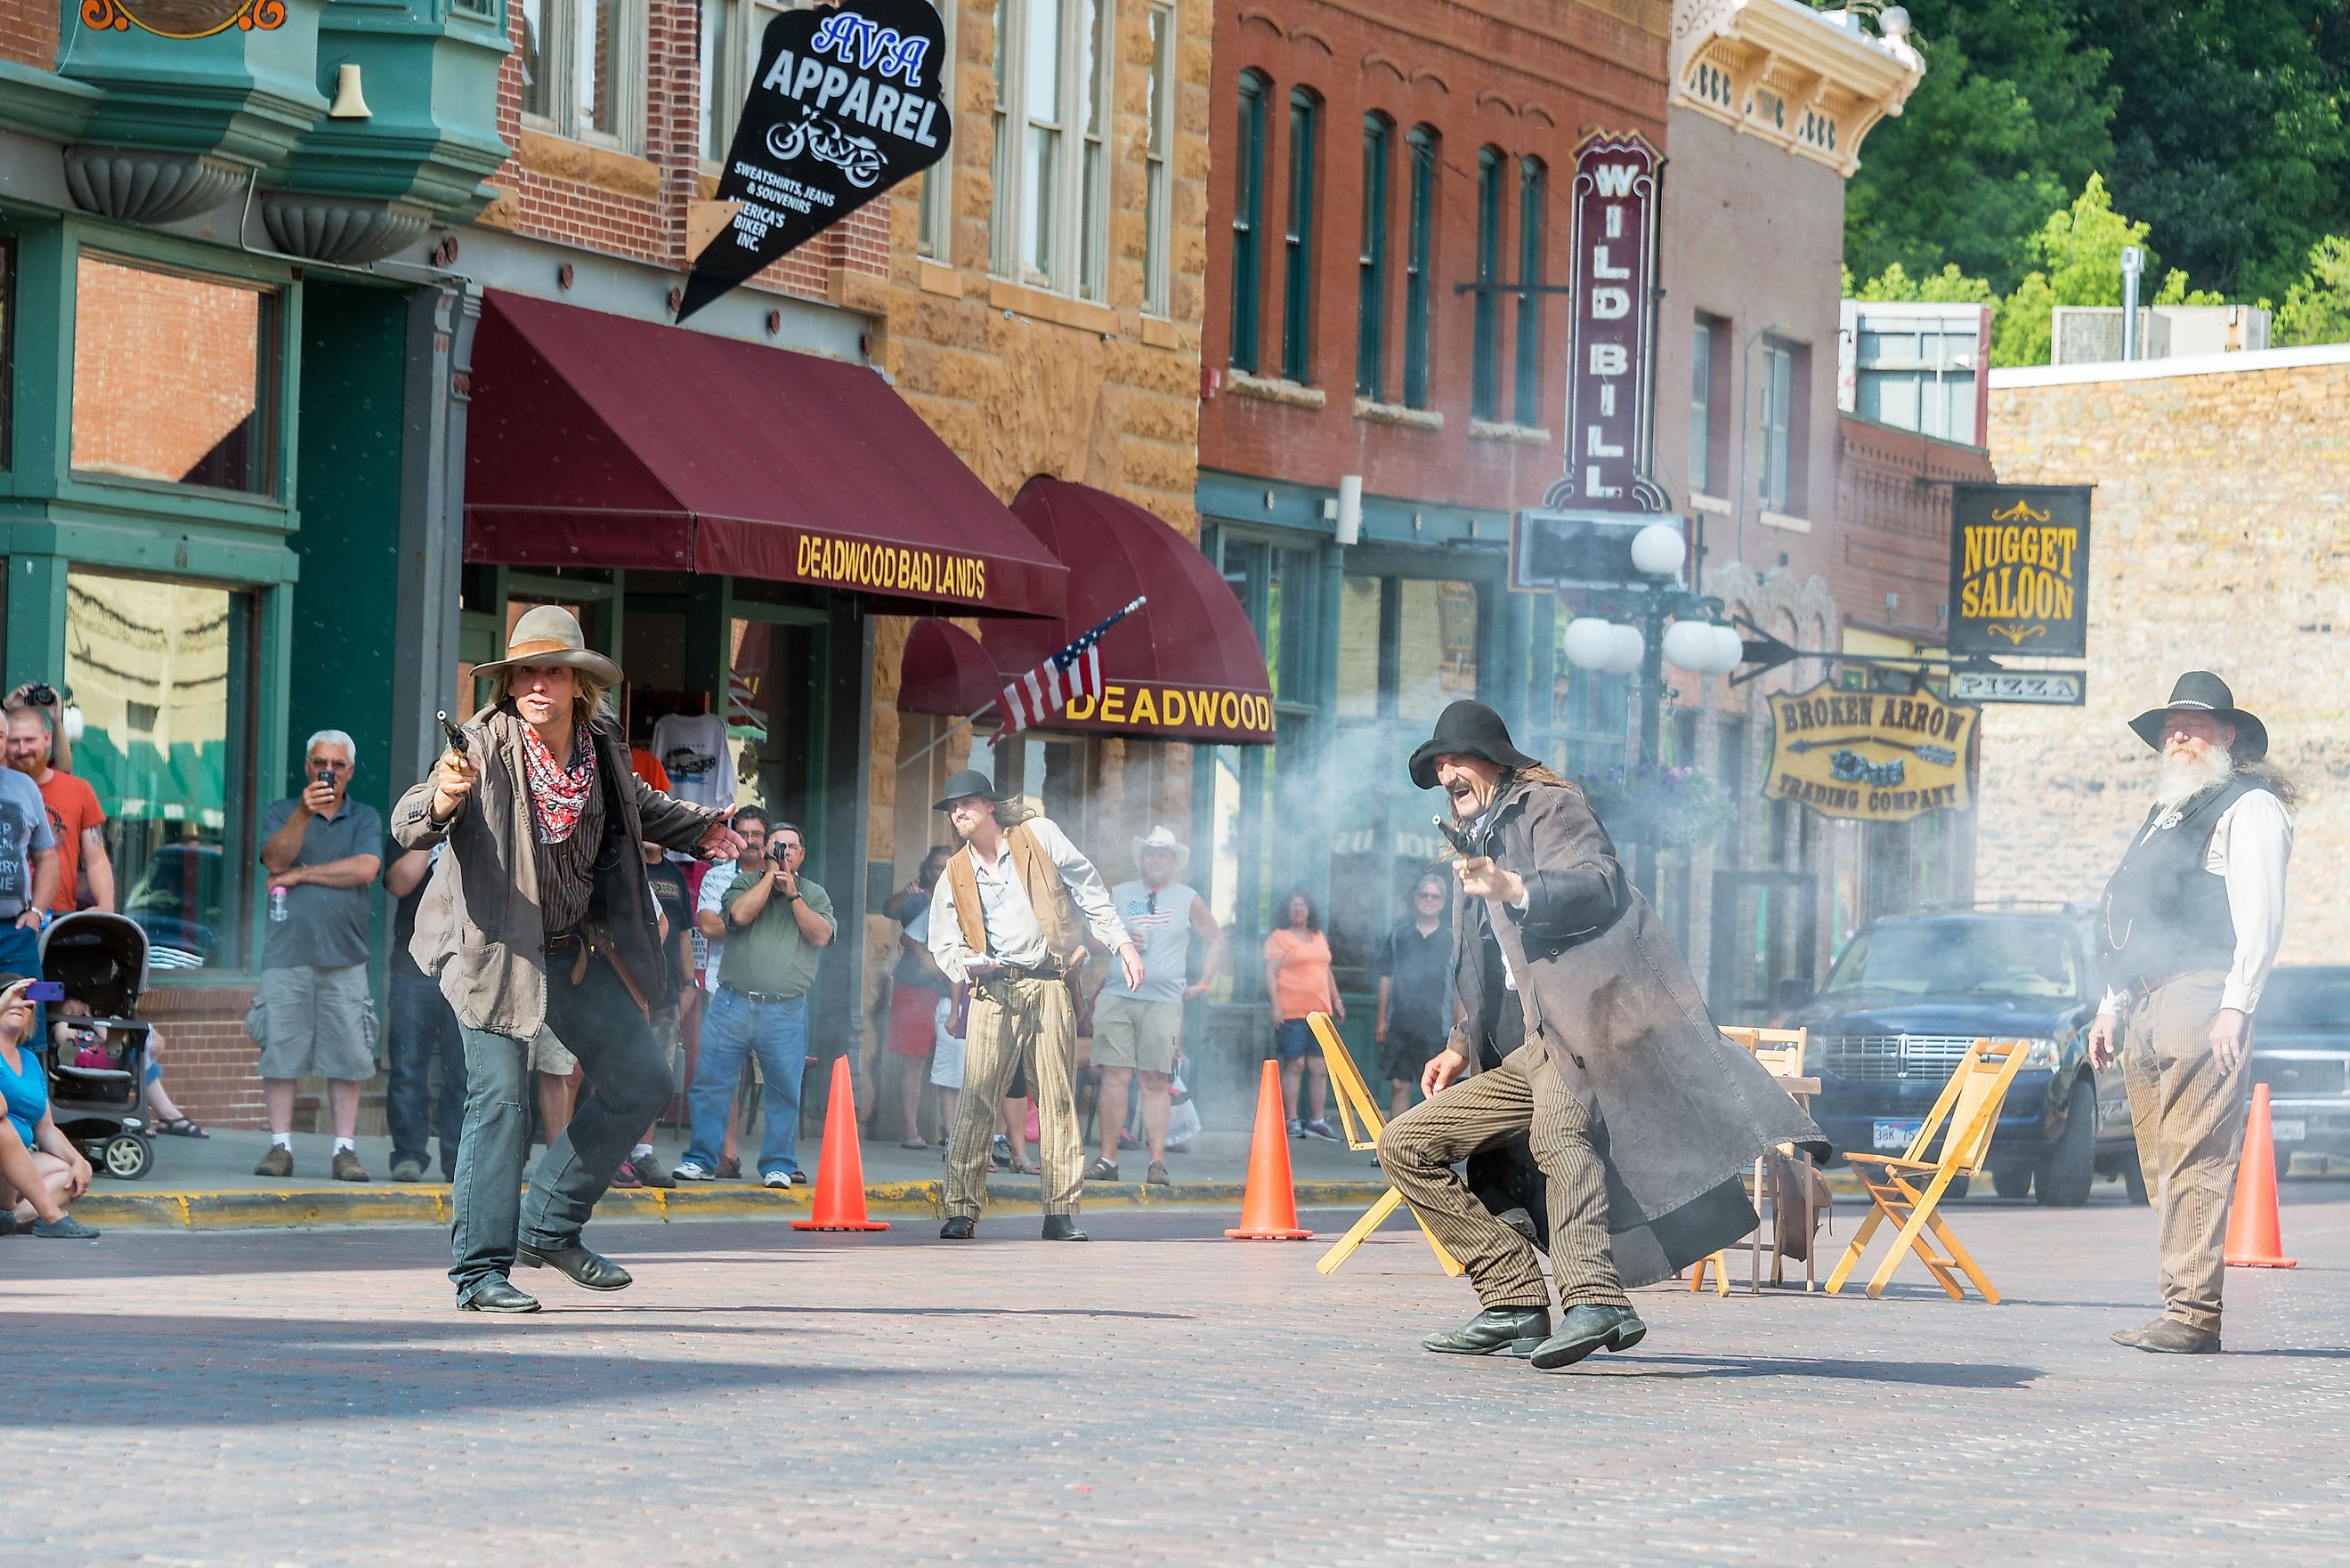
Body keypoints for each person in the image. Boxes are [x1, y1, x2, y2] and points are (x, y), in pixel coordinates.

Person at [1377, 700, 1825, 1370]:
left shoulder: (1547, 807)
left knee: (1562, 1135)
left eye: (1453, 760)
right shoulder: (1476, 842)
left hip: (1587, 1023)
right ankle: (1512, 1301)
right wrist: (1460, 1043)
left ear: (1493, 759)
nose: (1445, 774)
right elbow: (1479, 963)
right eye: (1437, 766)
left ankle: (1597, 1297)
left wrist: (1515, 885)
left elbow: (1597, 881)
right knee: (1405, 1144)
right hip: (1529, 1043)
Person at [394, 606, 739, 1313]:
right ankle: (480, 1272)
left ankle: (549, 1225)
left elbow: (637, 805)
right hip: (487, 951)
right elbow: (409, 818)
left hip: (568, 950)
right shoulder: (484, 747)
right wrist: (443, 796)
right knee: (499, 1102)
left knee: (643, 1079)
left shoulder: (601, 745)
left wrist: (705, 832)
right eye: (526, 671)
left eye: (552, 671)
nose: (537, 684)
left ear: (578, 684)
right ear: (510, 683)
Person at [2089, 672, 2295, 1356]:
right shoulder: (2166, 813)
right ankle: (2182, 1300)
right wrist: (2110, 1005)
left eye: (2194, 724)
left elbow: (2260, 918)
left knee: (2197, 1159)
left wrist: (2236, 1005)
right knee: (2160, 1164)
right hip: (2146, 998)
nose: (2179, 735)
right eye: (2172, 725)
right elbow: (2133, 917)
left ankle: (2192, 1314)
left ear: (2227, 736)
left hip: (2202, 991)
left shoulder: (2251, 808)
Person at [926, 769, 1141, 1241]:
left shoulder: (1037, 834)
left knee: (1057, 1098)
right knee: (977, 1096)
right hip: (993, 989)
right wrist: (966, 964)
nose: (957, 813)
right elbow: (941, 943)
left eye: (965, 803)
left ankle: (1059, 1211)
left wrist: (1121, 943)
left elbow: (1088, 888)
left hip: (1049, 982)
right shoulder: (956, 872)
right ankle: (961, 1208)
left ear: (989, 805)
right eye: (951, 808)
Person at [254, 730, 383, 1184]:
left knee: (348, 1058)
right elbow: (274, 860)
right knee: (281, 1055)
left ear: (349, 771)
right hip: (286, 955)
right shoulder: (281, 811)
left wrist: (302, 877)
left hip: (345, 956)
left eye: (337, 765)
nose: (327, 771)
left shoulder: (364, 816)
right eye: (319, 763)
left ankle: (344, 1150)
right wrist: (303, 814)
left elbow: (365, 868)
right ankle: (279, 1146)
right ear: (307, 766)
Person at [674, 820, 833, 1187]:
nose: (784, 854)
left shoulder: (814, 893)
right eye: (777, 846)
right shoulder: (744, 883)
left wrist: (793, 894)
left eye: (790, 848)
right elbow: (741, 915)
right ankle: (700, 1159)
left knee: (782, 1089)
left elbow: (821, 935)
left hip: (785, 1009)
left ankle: (778, 1164)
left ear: (802, 855)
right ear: (765, 852)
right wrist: (770, 878)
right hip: (733, 1003)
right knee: (712, 1083)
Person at [1088, 826, 1223, 1185]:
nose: (1157, 859)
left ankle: (1157, 1162)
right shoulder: (1121, 894)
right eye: (1151, 853)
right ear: (1142, 858)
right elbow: (1093, 943)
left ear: (1174, 861)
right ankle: (1107, 1159)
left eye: (1164, 854)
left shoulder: (1187, 897)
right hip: (1118, 994)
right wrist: (1119, 941)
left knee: (1154, 1080)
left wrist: (1204, 983)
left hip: (1163, 1000)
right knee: (1114, 1077)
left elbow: (1215, 938)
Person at [693, 804, 770, 1176]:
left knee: (778, 1077)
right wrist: (757, 924)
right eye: (745, 833)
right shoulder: (717, 878)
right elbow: (708, 925)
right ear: (734, 837)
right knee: (726, 1076)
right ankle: (728, 1154)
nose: (752, 841)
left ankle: (779, 1161)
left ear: (767, 839)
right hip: (725, 988)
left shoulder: (784, 878)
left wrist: (737, 920)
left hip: (775, 993)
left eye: (758, 834)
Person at [614, 839, 694, 1189]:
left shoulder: (676, 875)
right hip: (623, 991)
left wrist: (689, 982)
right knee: (616, 1075)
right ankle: (614, 1153)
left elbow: (682, 933)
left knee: (657, 1076)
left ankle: (643, 1153)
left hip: (663, 991)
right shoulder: (623, 866)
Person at [384, 847, 466, 1183]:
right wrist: (431, 831)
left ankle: (460, 1159)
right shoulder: (413, 821)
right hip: (413, 963)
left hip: (467, 965)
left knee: (463, 1071)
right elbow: (399, 884)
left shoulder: (483, 819)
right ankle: (408, 1154)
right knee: (407, 1066)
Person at [0, 974, 98, 1238]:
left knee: (70, 1173)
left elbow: (45, 1128)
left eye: (27, 1002)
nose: (20, 1005)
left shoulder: (30, 1061)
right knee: (2, 1124)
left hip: (18, 1166)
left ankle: (15, 1218)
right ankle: (51, 1215)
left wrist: (79, 1160)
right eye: (13, 999)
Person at [6, 705, 110, 914]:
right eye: (14, 741)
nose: (23, 749)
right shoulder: (3, 787)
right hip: (7, 916)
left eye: (29, 740)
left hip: (59, 916)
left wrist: (105, 906)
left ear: (47, 739)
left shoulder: (78, 790)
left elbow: (96, 859)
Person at [885, 845, 954, 1148]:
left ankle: (947, 1128)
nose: (942, 873)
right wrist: (905, 890)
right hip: (913, 987)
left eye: (948, 867)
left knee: (950, 1061)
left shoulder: (960, 898)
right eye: (938, 867)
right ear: (927, 870)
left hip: (950, 991)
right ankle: (911, 1129)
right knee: (914, 1060)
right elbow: (889, 909)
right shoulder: (916, 897)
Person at [1263, 890, 1341, 1140]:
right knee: (1295, 1064)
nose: (1298, 909)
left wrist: (1336, 1000)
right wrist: (1275, 1006)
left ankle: (1316, 1120)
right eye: (1293, 905)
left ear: (1309, 910)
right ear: (1287, 910)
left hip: (1320, 1013)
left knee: (1319, 1067)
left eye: (1302, 905)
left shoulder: (1318, 936)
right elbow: (1270, 974)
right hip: (1292, 1011)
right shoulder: (1279, 937)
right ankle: (1291, 1119)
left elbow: (1325, 970)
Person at [1375, 874, 1453, 1119]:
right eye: (1424, 895)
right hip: (1400, 1023)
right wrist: (1381, 1020)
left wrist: (1459, 1028)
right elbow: (1385, 977)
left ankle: (1435, 1155)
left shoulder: (1453, 938)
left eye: (1435, 896)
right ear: (1416, 898)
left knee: (1436, 1090)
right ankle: (1394, 1151)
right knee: (1399, 1085)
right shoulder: (1399, 935)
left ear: (1442, 902)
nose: (1429, 900)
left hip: (1436, 1026)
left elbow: (1462, 986)